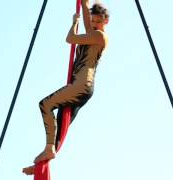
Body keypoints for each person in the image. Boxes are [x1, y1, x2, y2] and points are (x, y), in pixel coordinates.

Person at [23, 0, 109, 175]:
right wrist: (84, 5)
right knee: (62, 123)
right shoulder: (92, 33)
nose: (93, 24)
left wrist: (74, 23)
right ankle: (44, 162)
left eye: (98, 21)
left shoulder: (100, 36)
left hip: (81, 85)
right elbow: (86, 11)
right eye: (92, 22)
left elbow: (70, 39)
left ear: (105, 21)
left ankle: (48, 149)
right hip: (82, 87)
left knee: (45, 105)